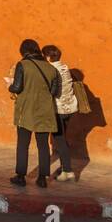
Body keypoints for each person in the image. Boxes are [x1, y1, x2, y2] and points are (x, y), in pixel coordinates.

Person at [7, 38, 62, 187]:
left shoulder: (23, 65)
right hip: (45, 110)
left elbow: (17, 88)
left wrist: (9, 86)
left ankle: (20, 176)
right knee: (43, 145)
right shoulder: (52, 69)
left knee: (23, 144)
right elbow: (55, 92)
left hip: (26, 109)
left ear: (23, 51)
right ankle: (42, 178)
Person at [43, 44, 77, 181]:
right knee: (62, 139)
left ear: (48, 57)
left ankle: (68, 171)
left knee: (60, 140)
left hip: (58, 109)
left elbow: (52, 90)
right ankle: (65, 169)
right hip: (70, 108)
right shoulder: (65, 67)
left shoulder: (51, 70)